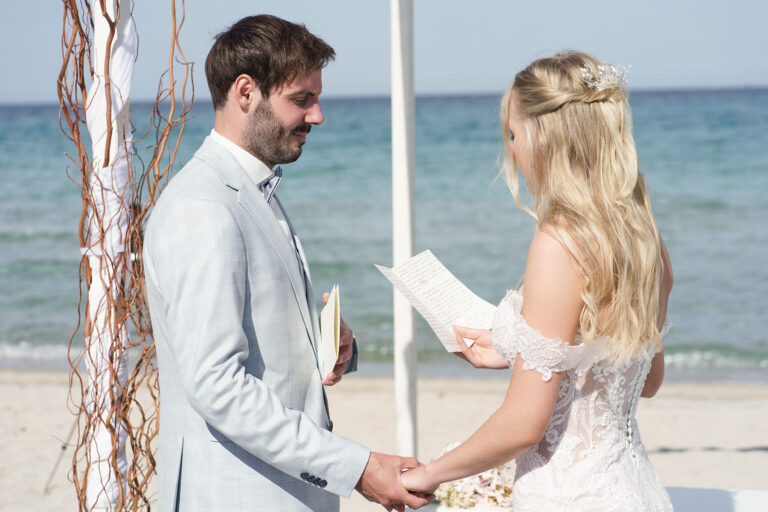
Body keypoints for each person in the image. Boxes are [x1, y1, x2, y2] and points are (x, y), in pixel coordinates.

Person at [142, 15, 431, 512]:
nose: (317, 116)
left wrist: (328, 345)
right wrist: (357, 468)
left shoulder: (254, 188)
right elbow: (218, 386)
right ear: (246, 92)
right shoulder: (203, 207)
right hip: (236, 494)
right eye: (302, 99)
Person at [401, 51, 675, 511]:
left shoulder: (560, 245)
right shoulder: (645, 240)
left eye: (513, 134)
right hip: (638, 492)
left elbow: (523, 425)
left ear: (546, 137)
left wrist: (426, 476)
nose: (512, 150)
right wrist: (513, 348)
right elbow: (645, 381)